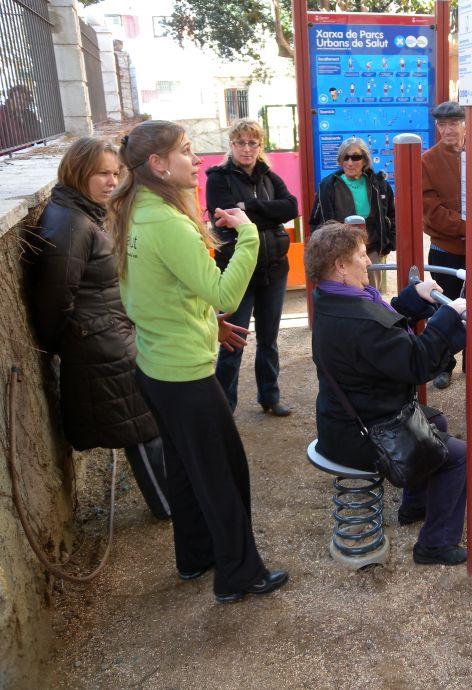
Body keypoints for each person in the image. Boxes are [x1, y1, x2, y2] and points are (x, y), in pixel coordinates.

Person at [110, 120, 288, 603]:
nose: (197, 160)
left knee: (187, 470)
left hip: (156, 366)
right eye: (187, 151)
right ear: (157, 164)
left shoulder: (136, 211)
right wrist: (248, 235)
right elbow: (225, 294)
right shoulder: (168, 223)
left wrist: (209, 326)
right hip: (183, 375)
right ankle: (239, 575)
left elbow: (159, 294)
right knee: (224, 473)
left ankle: (195, 556)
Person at [307, 221, 469, 565]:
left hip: (344, 420)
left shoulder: (332, 298)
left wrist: (413, 298)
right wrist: (448, 318)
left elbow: (383, 332)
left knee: (435, 421)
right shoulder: (358, 320)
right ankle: (435, 545)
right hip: (363, 435)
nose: (369, 261)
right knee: (459, 458)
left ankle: (415, 506)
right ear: (340, 266)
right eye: (361, 255)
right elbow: (418, 362)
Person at [25, 137, 170, 520]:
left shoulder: (83, 213)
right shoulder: (70, 225)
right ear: (78, 173)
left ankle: (171, 500)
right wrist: (73, 340)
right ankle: (168, 505)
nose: (112, 182)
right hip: (102, 343)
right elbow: (54, 301)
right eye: (102, 174)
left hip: (111, 333)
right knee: (140, 428)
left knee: (144, 421)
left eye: (116, 173)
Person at [206, 119, 298, 416]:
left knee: (269, 339)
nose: (247, 149)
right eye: (241, 143)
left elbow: (291, 207)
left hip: (274, 269)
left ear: (260, 146)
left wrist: (249, 208)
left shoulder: (268, 176)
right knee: (234, 340)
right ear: (231, 145)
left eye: (253, 143)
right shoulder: (218, 178)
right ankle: (223, 408)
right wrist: (268, 215)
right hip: (238, 273)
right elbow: (224, 217)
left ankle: (270, 396)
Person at [308, 137, 395, 294]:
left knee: (371, 294)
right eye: (345, 157)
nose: (350, 162)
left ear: (365, 160)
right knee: (343, 295)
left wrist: (389, 243)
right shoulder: (328, 185)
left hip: (371, 250)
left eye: (356, 157)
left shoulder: (379, 184)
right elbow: (316, 220)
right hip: (339, 254)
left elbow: (392, 215)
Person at [421, 101, 466, 389]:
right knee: (444, 308)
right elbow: (430, 211)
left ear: (465, 124)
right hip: (445, 249)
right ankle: (445, 364)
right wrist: (469, 228)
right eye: (442, 124)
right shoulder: (427, 160)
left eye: (453, 123)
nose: (447, 130)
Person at [0, 84, 41, 149]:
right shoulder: (2, 113)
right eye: (19, 98)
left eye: (25, 99)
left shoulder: (30, 114)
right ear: (10, 99)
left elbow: (39, 136)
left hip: (30, 151)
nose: (22, 101)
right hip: (9, 153)